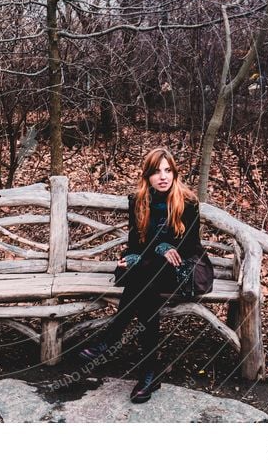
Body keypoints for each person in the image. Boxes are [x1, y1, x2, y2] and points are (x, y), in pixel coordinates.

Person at [77, 147, 213, 403]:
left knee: (144, 276)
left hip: (183, 267)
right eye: (156, 171)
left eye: (167, 170)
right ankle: (149, 373)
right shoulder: (138, 201)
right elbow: (135, 244)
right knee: (144, 283)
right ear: (147, 176)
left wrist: (164, 248)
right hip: (151, 270)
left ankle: (110, 339)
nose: (162, 176)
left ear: (174, 173)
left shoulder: (188, 202)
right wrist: (132, 257)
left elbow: (190, 246)